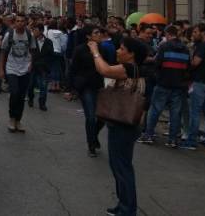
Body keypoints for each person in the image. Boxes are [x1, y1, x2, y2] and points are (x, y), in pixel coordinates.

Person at [88, 36, 150, 216]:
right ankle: (123, 204)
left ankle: (128, 209)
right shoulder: (134, 69)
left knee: (122, 167)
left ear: (131, 54)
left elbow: (104, 70)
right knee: (118, 166)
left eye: (121, 49)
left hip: (124, 123)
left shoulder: (129, 68)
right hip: (121, 122)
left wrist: (95, 51)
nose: (117, 51)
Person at [139, 25, 189, 147]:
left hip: (163, 83)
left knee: (155, 110)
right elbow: (188, 68)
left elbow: (157, 64)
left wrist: (158, 77)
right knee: (175, 113)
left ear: (168, 34)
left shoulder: (164, 46)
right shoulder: (186, 49)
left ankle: (148, 135)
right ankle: (172, 140)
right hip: (179, 85)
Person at [71, 26, 108, 156]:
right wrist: (73, 87)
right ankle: (91, 144)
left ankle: (94, 134)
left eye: (99, 32)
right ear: (88, 36)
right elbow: (73, 68)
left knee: (103, 117)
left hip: (99, 85)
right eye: (96, 32)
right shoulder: (80, 50)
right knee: (91, 117)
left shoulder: (102, 49)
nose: (99, 35)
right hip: (86, 86)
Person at [182, 25, 205, 150]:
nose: (194, 34)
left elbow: (195, 62)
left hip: (200, 82)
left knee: (195, 112)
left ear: (203, 32)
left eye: (196, 32)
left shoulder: (204, 46)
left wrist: (188, 64)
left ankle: (191, 141)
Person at [0, 14, 32, 133]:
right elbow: (2, 52)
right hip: (11, 68)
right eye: (18, 21)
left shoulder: (29, 35)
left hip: (25, 69)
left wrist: (31, 64)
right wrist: (1, 70)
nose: (20, 23)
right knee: (14, 93)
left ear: (26, 22)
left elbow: (33, 51)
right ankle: (12, 118)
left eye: (22, 21)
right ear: (15, 22)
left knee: (22, 96)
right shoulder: (10, 35)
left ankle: (18, 120)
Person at [27, 25, 54, 111]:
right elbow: (29, 53)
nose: (34, 32)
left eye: (36, 30)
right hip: (33, 66)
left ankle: (42, 103)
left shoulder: (49, 42)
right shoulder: (32, 41)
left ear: (41, 31)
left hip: (43, 67)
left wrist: (47, 64)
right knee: (31, 85)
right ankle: (30, 98)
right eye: (33, 30)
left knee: (43, 86)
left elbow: (51, 54)